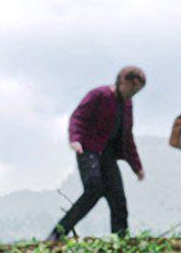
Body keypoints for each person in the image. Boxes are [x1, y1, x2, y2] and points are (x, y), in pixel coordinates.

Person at [48, 66, 149, 240]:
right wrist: (75, 139)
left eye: (137, 91)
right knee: (94, 189)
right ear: (122, 81)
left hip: (108, 155)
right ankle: (57, 234)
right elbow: (78, 117)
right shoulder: (99, 95)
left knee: (118, 198)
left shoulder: (127, 105)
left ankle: (121, 241)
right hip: (88, 149)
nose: (133, 94)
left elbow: (127, 136)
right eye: (132, 89)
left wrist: (137, 166)